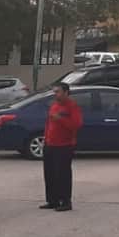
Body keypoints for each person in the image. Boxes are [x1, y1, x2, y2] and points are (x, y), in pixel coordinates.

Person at [42, 82, 83, 212]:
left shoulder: (72, 106)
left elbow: (76, 125)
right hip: (50, 144)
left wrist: (60, 118)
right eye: (54, 92)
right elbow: (49, 123)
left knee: (63, 175)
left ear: (66, 92)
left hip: (64, 146)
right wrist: (46, 139)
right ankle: (52, 200)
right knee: (50, 174)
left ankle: (65, 202)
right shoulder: (54, 105)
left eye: (58, 92)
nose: (55, 94)